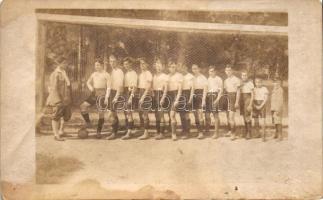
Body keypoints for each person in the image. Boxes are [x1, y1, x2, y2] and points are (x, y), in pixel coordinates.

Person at [80, 58, 111, 139]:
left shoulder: (106, 74)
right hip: (94, 93)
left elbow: (109, 87)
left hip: (102, 94)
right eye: (95, 65)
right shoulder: (94, 74)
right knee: (83, 106)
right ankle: (88, 122)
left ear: (102, 65)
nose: (96, 67)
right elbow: (88, 82)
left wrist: (107, 98)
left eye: (98, 65)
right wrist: (91, 88)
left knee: (101, 113)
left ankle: (98, 132)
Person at [46, 59, 72, 141]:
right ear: (59, 63)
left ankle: (61, 131)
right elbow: (53, 88)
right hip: (58, 98)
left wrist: (68, 97)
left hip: (65, 97)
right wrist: (58, 99)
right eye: (64, 63)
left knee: (66, 115)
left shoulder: (64, 72)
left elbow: (68, 85)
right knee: (56, 116)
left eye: (66, 63)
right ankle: (56, 135)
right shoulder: (55, 74)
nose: (65, 64)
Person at [106, 54, 125, 140]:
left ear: (117, 61)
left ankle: (114, 133)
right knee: (113, 113)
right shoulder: (112, 71)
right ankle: (115, 130)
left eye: (114, 61)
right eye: (110, 61)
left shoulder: (119, 71)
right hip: (111, 92)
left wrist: (116, 96)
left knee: (111, 113)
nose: (112, 63)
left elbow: (120, 86)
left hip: (117, 93)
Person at [121, 57, 138, 140]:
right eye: (124, 64)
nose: (126, 66)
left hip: (131, 93)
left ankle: (129, 132)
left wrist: (131, 97)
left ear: (131, 64)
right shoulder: (126, 73)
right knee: (126, 112)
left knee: (129, 113)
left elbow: (134, 87)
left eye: (127, 64)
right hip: (125, 93)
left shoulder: (133, 73)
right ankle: (128, 129)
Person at [152, 59, 169, 140]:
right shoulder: (154, 75)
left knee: (161, 114)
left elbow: (166, 88)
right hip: (155, 95)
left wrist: (163, 98)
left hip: (161, 95)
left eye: (160, 66)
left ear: (163, 66)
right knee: (156, 115)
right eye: (157, 66)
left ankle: (162, 133)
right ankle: (158, 131)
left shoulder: (165, 76)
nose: (158, 67)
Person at [190, 64, 207, 139]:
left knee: (200, 114)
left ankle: (201, 132)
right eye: (193, 69)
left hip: (201, 95)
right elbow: (192, 89)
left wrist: (203, 100)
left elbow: (205, 89)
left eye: (196, 68)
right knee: (195, 115)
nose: (194, 70)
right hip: (194, 96)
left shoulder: (203, 77)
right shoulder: (193, 78)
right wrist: (190, 99)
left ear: (199, 69)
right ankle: (198, 131)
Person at [205, 66, 223, 139]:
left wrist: (217, 99)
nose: (211, 73)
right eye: (210, 71)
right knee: (207, 114)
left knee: (215, 115)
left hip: (215, 96)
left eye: (212, 71)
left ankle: (216, 133)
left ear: (215, 71)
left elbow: (221, 91)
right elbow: (206, 89)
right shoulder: (208, 79)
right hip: (209, 96)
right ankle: (208, 130)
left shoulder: (218, 79)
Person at [167, 61, 184, 141]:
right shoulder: (167, 76)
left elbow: (180, 89)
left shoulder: (179, 75)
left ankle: (174, 134)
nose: (172, 68)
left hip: (176, 95)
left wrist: (177, 99)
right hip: (169, 95)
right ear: (168, 68)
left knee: (172, 114)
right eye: (171, 67)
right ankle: (173, 131)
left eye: (174, 67)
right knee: (170, 115)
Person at [137, 58, 153, 140]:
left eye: (143, 63)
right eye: (140, 64)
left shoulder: (148, 73)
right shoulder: (140, 74)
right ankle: (144, 130)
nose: (142, 65)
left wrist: (143, 96)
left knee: (145, 114)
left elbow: (148, 87)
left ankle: (146, 133)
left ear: (147, 65)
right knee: (141, 113)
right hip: (141, 92)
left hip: (146, 94)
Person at [224, 66, 241, 140]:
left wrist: (237, 101)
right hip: (227, 97)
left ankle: (233, 134)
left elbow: (238, 91)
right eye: (227, 70)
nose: (228, 72)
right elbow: (225, 91)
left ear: (232, 71)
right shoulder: (226, 80)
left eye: (229, 70)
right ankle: (230, 131)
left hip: (234, 97)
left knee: (231, 117)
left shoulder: (236, 79)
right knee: (228, 116)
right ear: (225, 71)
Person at [178, 64, 194, 139]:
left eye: (183, 68)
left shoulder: (190, 76)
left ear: (186, 68)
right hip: (180, 94)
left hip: (187, 94)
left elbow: (192, 89)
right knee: (181, 113)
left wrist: (190, 99)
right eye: (181, 68)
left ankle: (187, 131)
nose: (182, 69)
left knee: (186, 114)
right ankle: (183, 129)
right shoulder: (180, 76)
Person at [252, 77, 269, 142]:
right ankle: (257, 134)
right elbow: (252, 98)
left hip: (262, 104)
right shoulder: (254, 89)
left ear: (261, 82)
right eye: (256, 82)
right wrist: (254, 105)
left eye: (259, 82)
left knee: (263, 121)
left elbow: (266, 99)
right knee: (256, 121)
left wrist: (261, 106)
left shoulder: (264, 89)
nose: (258, 83)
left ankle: (263, 136)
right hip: (255, 104)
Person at [239, 70, 254, 139]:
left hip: (248, 98)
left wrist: (250, 104)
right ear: (241, 76)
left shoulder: (250, 83)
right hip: (242, 99)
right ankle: (246, 131)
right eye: (243, 75)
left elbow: (252, 95)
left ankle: (249, 133)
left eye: (245, 75)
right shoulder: (240, 83)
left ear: (247, 76)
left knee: (247, 116)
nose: (244, 77)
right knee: (244, 116)